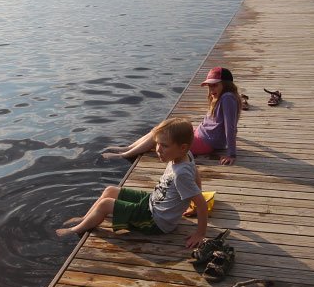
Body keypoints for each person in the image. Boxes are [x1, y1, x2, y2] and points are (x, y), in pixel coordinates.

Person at [59, 118, 208, 248]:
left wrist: (200, 233)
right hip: (152, 202)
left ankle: (75, 230)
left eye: (165, 146)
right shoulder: (186, 155)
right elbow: (195, 173)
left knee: (105, 204)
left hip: (156, 222)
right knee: (110, 190)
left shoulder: (180, 173)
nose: (158, 149)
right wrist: (192, 201)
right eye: (157, 144)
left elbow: (202, 203)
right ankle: (85, 219)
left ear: (182, 147)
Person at [102, 67, 241, 165]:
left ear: (226, 85)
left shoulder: (227, 98)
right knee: (161, 128)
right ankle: (128, 148)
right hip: (201, 134)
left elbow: (230, 127)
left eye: (215, 86)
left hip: (207, 142)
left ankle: (125, 155)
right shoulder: (222, 96)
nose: (211, 90)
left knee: (161, 136)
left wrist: (231, 154)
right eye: (209, 87)